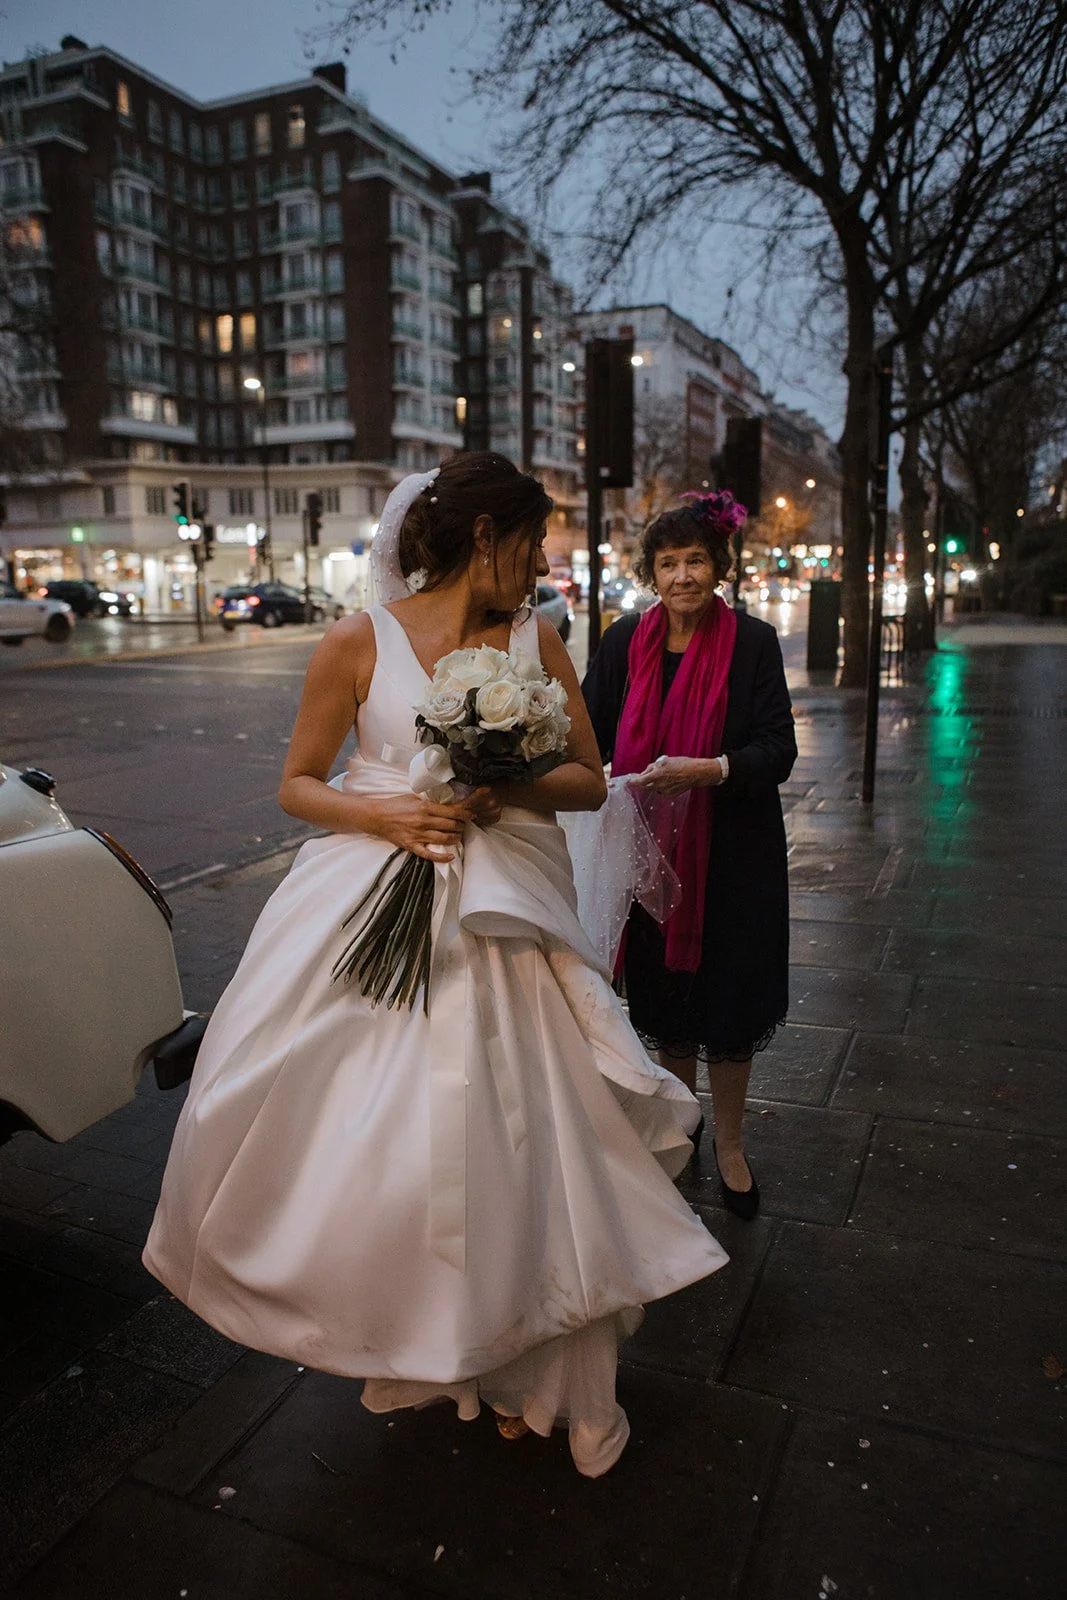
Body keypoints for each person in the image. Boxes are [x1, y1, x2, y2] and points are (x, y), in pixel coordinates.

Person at [144, 453, 726, 1479]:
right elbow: (296, 785)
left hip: (509, 907)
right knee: (409, 1147)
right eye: (534, 539)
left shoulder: (531, 634)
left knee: (534, 1140)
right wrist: (385, 810)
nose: (543, 562)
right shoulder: (352, 642)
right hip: (377, 896)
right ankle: (442, 1344)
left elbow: (588, 782)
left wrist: (505, 776)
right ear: (486, 539)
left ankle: (537, 1371)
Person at [581, 492, 797, 1221]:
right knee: (669, 1008)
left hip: (734, 855)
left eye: (695, 560)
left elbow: (778, 750)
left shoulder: (754, 644)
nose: (682, 576)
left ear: (718, 567)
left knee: (730, 1007)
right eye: (667, 562)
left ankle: (730, 1145)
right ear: (650, 573)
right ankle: (681, 1125)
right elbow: (588, 736)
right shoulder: (621, 643)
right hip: (649, 857)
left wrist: (709, 769)